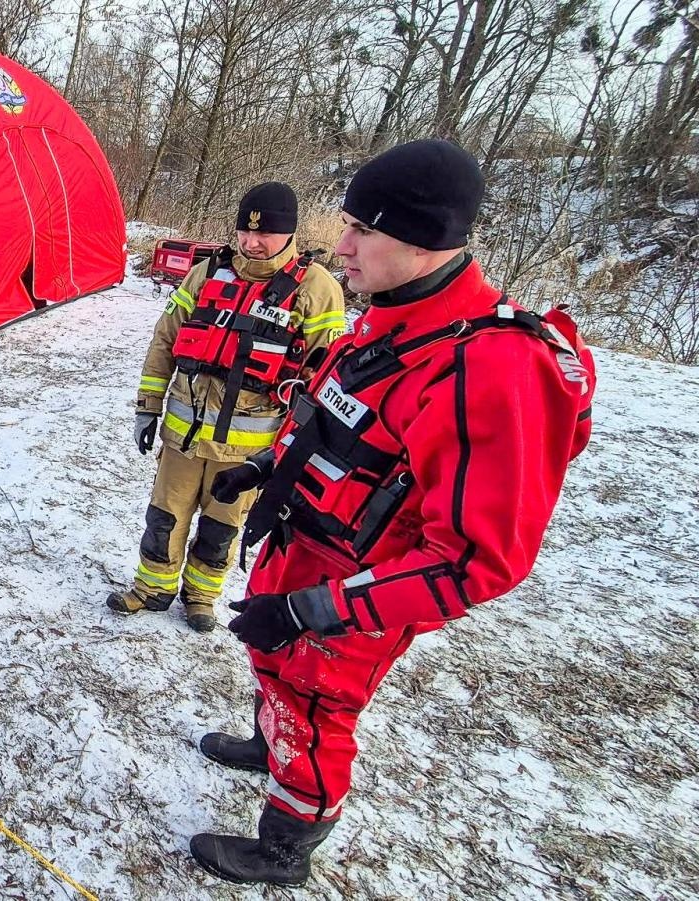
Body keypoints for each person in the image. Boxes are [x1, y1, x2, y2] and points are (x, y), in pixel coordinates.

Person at [189, 140, 596, 885]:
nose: (340, 246)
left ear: (420, 240)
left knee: (314, 708)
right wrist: (267, 466)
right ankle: (266, 739)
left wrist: (316, 609)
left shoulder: (490, 367)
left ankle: (286, 843)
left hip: (354, 594)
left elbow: (479, 559)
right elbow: (332, 415)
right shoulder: (389, 317)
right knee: (274, 672)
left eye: (360, 231)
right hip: (302, 544)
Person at [109, 183, 346, 631]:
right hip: (184, 435)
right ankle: (151, 588)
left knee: (221, 529)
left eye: (265, 235)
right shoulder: (205, 273)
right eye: (245, 231)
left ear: (290, 234)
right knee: (164, 517)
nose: (252, 242)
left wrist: (294, 453)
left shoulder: (318, 289)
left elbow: (324, 377)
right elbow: (165, 339)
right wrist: (148, 406)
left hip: (247, 453)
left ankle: (201, 598)